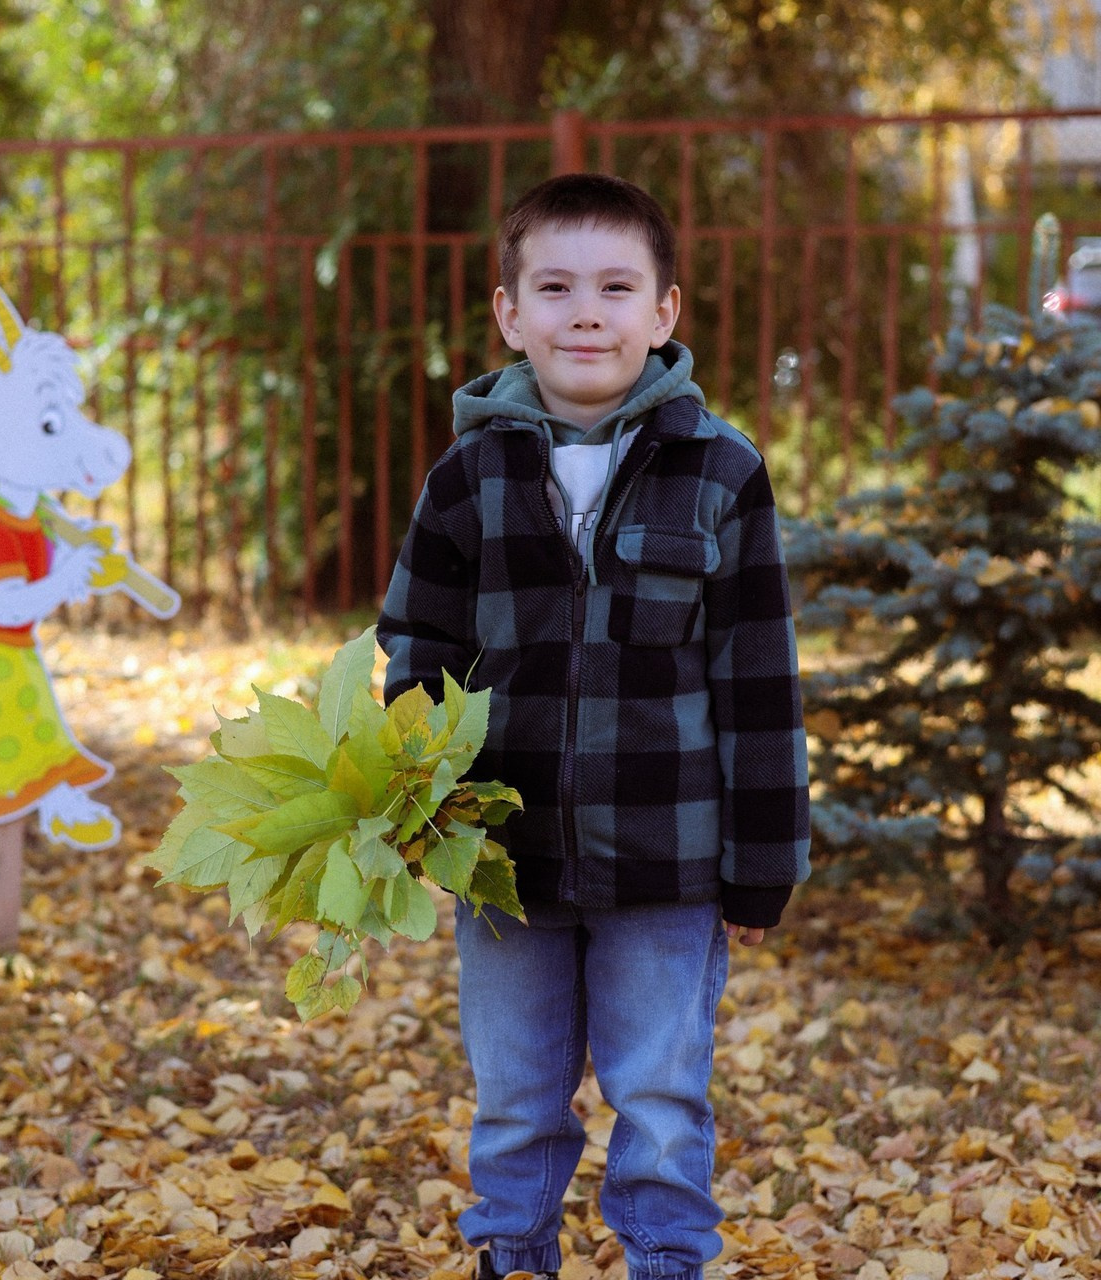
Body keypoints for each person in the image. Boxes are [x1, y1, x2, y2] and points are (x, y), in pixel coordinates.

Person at [377, 173, 810, 1280]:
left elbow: (758, 679)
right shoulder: (469, 476)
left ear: (663, 312)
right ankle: (510, 1251)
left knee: (658, 1085)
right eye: (555, 286)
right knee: (515, 1088)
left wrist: (760, 863)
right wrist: (417, 807)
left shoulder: (720, 472)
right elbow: (416, 643)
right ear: (508, 315)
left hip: (666, 860)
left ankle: (665, 1254)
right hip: (501, 855)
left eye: (616, 287)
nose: (585, 311)